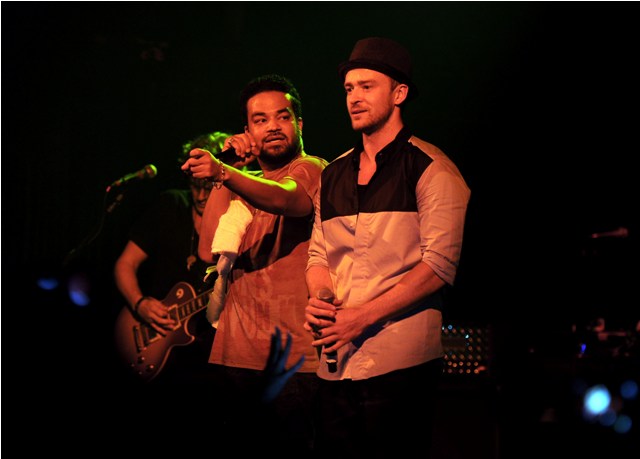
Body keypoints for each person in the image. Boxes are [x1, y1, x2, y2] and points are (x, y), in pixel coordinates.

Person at [304, 37, 471, 458]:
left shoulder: (433, 169)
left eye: (367, 86)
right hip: (336, 362)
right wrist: (321, 298)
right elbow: (318, 255)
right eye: (349, 88)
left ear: (399, 94)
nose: (354, 98)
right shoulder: (333, 174)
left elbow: (439, 265)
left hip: (400, 362)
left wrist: (361, 317)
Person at [181, 74, 327, 454]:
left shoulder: (313, 168)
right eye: (260, 120)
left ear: (299, 124)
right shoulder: (240, 181)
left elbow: (287, 199)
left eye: (282, 117)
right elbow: (208, 250)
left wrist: (224, 172)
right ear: (247, 132)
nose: (272, 127)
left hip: (293, 360)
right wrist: (228, 166)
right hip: (234, 352)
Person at [112, 130, 257, 386]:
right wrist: (139, 303)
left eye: (207, 187)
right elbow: (125, 264)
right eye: (194, 186)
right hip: (158, 341)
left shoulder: (242, 214)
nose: (200, 196)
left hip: (211, 354)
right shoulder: (171, 205)